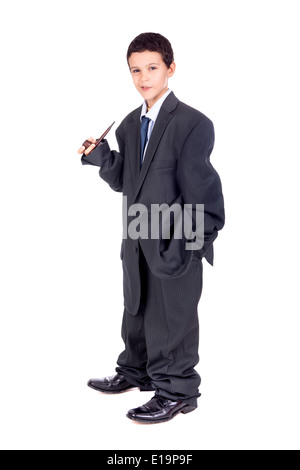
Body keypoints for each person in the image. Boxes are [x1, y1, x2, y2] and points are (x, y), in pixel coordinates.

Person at [77, 32, 225, 424]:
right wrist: (102, 157)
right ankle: (136, 370)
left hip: (175, 242)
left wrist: (188, 248)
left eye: (153, 68)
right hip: (137, 238)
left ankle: (176, 390)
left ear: (170, 69)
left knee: (172, 317)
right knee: (137, 309)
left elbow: (202, 193)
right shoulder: (129, 123)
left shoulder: (192, 124)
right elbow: (131, 180)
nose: (144, 77)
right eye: (136, 70)